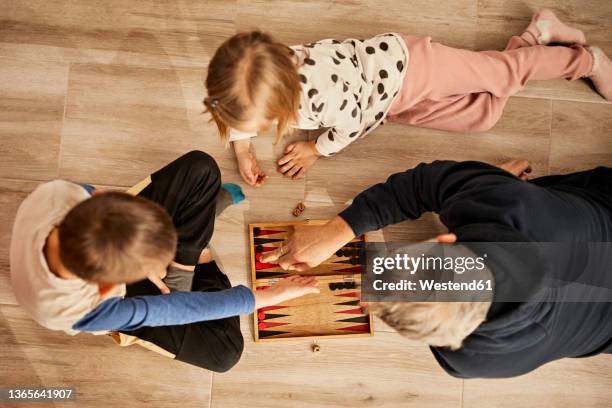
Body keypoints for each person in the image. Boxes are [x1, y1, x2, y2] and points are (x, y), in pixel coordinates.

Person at [262, 159, 612, 378]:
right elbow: (424, 184)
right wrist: (335, 232)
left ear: (446, 238)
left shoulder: (474, 362)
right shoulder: (506, 203)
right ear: (445, 240)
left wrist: (489, 187)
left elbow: (420, 188)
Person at [203, 9, 612, 185]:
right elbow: (236, 108)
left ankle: (585, 61)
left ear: (280, 106)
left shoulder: (322, 97)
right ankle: (535, 35)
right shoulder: (264, 67)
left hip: (413, 65)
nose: (251, 132)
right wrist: (241, 151)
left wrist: (316, 148)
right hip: (389, 102)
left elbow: (351, 126)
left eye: (255, 127)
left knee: (507, 74)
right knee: (483, 115)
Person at [10, 150, 318, 372]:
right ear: (110, 287)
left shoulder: (62, 195)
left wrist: (160, 256)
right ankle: (198, 253)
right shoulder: (89, 311)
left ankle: (188, 255)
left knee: (201, 167)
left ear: (101, 197)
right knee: (225, 354)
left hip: (102, 238)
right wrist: (265, 297)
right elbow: (170, 310)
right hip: (102, 303)